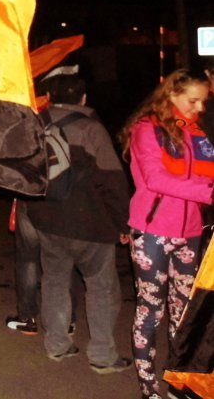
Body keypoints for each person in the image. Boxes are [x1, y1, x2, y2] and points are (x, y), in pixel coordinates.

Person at [26, 73, 132, 373]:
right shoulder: (91, 128)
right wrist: (123, 223)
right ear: (84, 98)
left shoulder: (37, 125)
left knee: (54, 281)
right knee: (101, 287)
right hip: (90, 224)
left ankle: (57, 345)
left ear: (49, 96)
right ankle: (102, 355)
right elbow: (112, 181)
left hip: (48, 221)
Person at [120, 68, 214, 399]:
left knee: (184, 314)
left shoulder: (196, 132)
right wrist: (209, 192)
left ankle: (177, 383)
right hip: (153, 232)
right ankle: (149, 388)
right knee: (151, 311)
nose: (200, 108)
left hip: (190, 232)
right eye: (193, 100)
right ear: (172, 93)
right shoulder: (147, 128)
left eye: (203, 101)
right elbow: (156, 179)